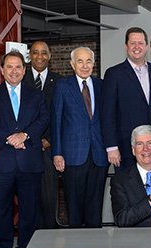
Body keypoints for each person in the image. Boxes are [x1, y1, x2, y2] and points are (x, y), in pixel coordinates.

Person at [0, 51, 49, 248]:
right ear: (2, 70)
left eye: (18, 66)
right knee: (1, 209)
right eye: (9, 66)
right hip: (2, 163)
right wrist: (11, 138)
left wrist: (24, 135)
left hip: (29, 162)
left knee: (30, 209)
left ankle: (26, 247)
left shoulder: (36, 95)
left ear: (24, 70)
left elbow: (44, 118)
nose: (14, 70)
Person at [51, 47, 108, 228]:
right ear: (72, 64)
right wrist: (57, 153)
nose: (85, 66)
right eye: (80, 61)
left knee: (95, 207)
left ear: (94, 63)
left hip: (98, 156)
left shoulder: (101, 85)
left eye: (88, 61)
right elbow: (56, 120)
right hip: (72, 156)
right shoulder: (62, 86)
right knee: (74, 208)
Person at [103, 27, 151, 170]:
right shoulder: (114, 74)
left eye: (141, 43)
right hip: (125, 147)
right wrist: (111, 146)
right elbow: (107, 113)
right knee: (128, 189)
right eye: (133, 43)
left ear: (146, 46)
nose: (137, 47)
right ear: (126, 46)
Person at [23, 41, 62, 229]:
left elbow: (63, 117)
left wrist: (49, 141)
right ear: (30, 55)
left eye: (44, 53)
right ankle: (29, 240)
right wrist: (30, 139)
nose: (40, 56)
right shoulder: (20, 81)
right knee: (27, 198)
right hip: (25, 149)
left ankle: (49, 240)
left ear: (50, 56)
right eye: (36, 53)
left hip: (49, 149)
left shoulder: (60, 81)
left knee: (49, 198)